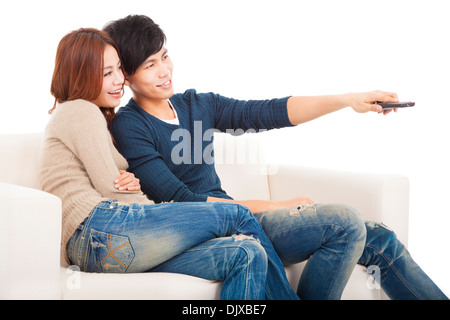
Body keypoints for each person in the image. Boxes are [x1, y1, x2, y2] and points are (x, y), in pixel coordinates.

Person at [104, 14, 448, 300]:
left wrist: (346, 99)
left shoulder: (195, 104)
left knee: (378, 238)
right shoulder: (130, 125)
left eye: (165, 56)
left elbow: (267, 113)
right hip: (212, 234)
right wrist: (276, 205)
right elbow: (182, 200)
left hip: (241, 219)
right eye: (150, 65)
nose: (164, 70)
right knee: (343, 221)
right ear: (128, 75)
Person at [38, 27, 313, 300]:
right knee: (235, 215)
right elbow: (113, 191)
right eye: (106, 73)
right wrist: (170, 219)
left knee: (245, 252)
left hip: (105, 246)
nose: (119, 80)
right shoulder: (80, 110)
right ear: (80, 76)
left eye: (119, 69)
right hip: (100, 229)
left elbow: (116, 183)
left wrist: (132, 185)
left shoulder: (90, 116)